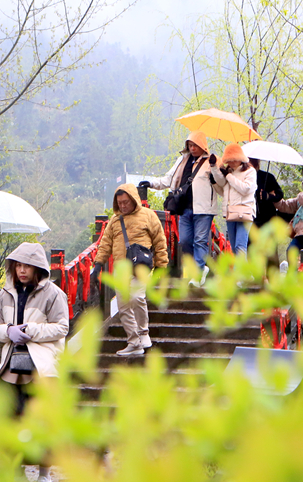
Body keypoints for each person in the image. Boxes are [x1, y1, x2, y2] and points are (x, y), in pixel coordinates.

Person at [0, 242, 69, 482]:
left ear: (38, 268)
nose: (22, 271)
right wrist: (9, 331)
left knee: (43, 422)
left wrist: (31, 330)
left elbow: (62, 327)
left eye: (27, 266)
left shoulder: (54, 293)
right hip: (10, 366)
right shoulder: (5, 293)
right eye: (18, 266)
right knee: (9, 421)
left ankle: (44, 473)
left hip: (41, 368)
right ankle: (16, 470)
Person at [92, 184, 169, 356]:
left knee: (137, 297)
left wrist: (161, 265)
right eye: (119, 203)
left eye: (126, 202)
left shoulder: (148, 216)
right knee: (123, 307)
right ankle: (133, 342)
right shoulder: (115, 220)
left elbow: (160, 241)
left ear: (134, 199)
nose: (123, 206)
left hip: (140, 267)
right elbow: (105, 243)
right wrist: (98, 264)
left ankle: (143, 332)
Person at [139, 131, 217, 279]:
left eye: (195, 145)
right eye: (190, 145)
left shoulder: (211, 162)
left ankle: (198, 273)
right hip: (184, 208)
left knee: (200, 240)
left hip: (204, 209)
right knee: (185, 240)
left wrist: (215, 173)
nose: (192, 148)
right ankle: (198, 268)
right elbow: (169, 179)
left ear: (202, 146)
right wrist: (151, 183)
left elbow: (220, 184)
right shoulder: (182, 160)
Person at [210, 143, 257, 255]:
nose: (232, 162)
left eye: (234, 159)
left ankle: (241, 267)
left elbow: (245, 189)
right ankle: (241, 267)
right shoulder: (229, 171)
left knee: (240, 246)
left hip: (244, 212)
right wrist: (214, 180)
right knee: (234, 248)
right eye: (229, 160)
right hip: (230, 212)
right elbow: (224, 192)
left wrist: (228, 176)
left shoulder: (250, 171)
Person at [248, 158, 284, 229]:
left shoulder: (267, 177)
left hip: (267, 217)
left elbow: (280, 194)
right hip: (250, 216)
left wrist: (268, 196)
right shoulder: (244, 178)